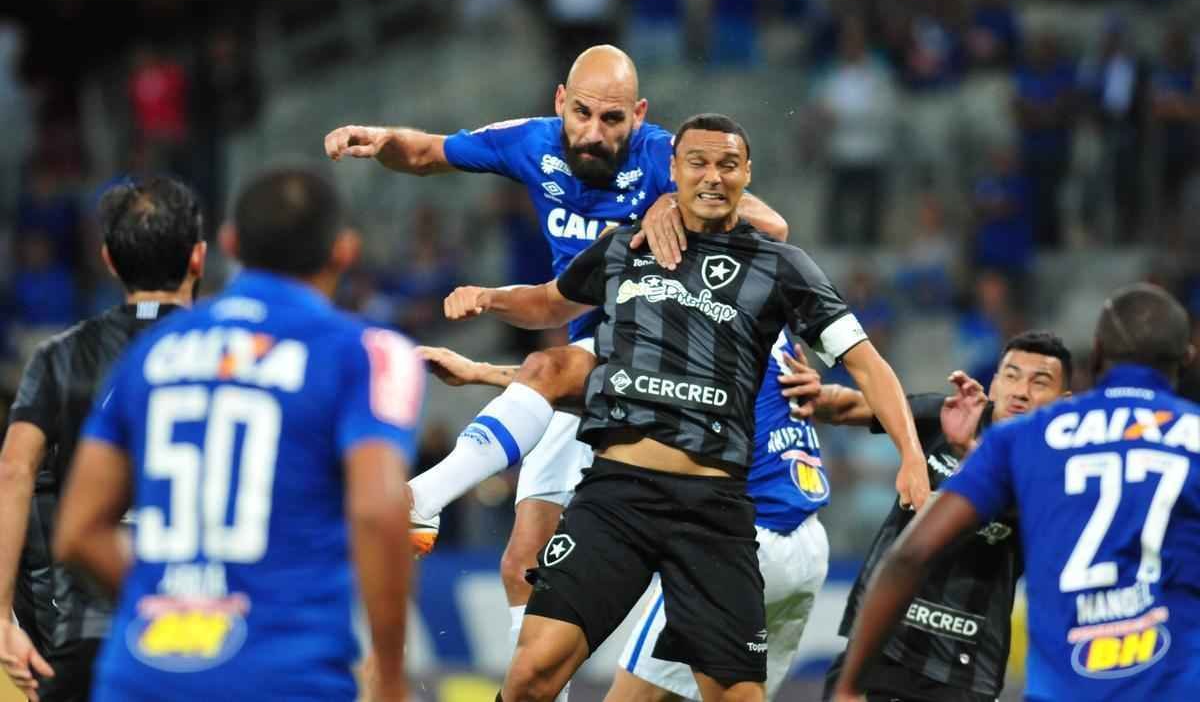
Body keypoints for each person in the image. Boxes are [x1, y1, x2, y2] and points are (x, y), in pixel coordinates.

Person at [429, 114, 924, 702]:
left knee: (737, 697)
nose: (712, 177)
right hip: (617, 498)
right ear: (672, 171)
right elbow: (548, 305)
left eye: (727, 165)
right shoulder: (625, 246)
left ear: (748, 175)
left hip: (713, 513)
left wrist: (911, 456)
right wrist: (487, 302)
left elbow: (867, 363)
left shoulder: (782, 268)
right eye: (698, 163)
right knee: (531, 675)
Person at [325, 45, 789, 664]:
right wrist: (380, 138)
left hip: (670, 361)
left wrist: (675, 202)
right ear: (559, 104)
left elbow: (772, 228)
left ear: (639, 115)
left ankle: (422, 499)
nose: (594, 134)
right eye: (582, 114)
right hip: (591, 357)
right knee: (522, 564)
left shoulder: (664, 158)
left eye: (613, 120)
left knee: (547, 370)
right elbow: (428, 153)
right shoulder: (532, 143)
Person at [52, 169, 424, 702]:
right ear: (345, 251)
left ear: (229, 244)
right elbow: (376, 509)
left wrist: (166, 602)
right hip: (286, 677)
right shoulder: (366, 353)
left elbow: (77, 530)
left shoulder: (153, 352)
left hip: (141, 678)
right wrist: (389, 677)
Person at [834, 283, 1200, 701]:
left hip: (1065, 686)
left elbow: (910, 556)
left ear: (1096, 353)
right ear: (1187, 358)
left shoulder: (1026, 438)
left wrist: (848, 685)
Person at [0, 177, 206, 702]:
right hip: (206, 629)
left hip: (86, 634)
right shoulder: (239, 354)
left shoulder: (59, 356)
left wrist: (2, 617)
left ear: (109, 260)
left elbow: (13, 471)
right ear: (199, 257)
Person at [818, 331, 1073, 702]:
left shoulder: (1058, 469)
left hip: (962, 670)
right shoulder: (946, 415)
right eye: (1012, 375)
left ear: (1064, 403)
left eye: (1040, 382)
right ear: (995, 382)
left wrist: (972, 456)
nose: (1021, 391)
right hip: (878, 649)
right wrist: (810, 395)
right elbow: (849, 407)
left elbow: (1026, 511)